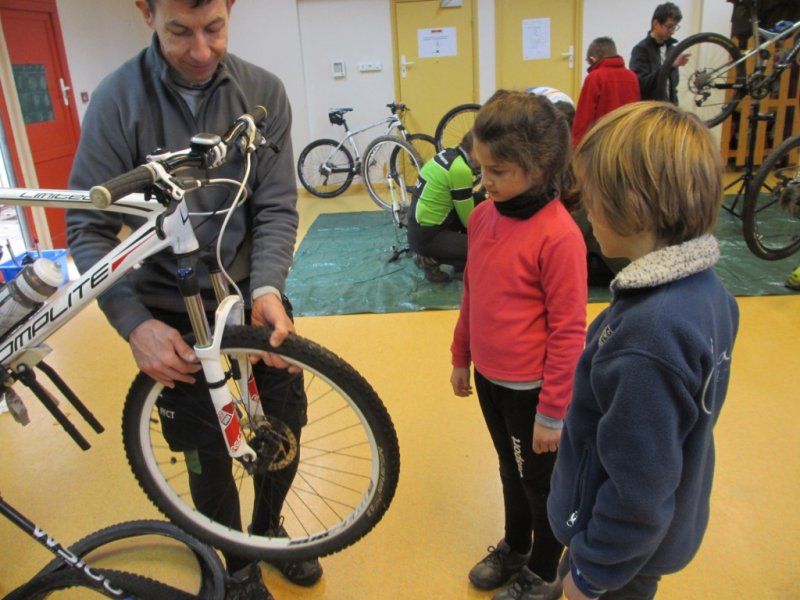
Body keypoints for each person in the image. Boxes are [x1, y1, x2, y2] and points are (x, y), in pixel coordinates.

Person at [66, 1, 322, 598]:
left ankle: (268, 532)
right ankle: (236, 567)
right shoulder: (116, 100)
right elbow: (87, 228)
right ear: (146, 12)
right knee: (206, 450)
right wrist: (134, 325)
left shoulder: (263, 92)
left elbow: (277, 206)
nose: (201, 51)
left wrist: (267, 288)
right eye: (179, 31)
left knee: (282, 424)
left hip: (250, 297)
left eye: (214, 28)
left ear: (231, 7)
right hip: (167, 309)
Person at [548, 102, 739, 599]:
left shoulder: (649, 336)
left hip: (615, 554)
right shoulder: (710, 292)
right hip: (652, 537)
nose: (585, 211)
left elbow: (639, 489)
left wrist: (589, 573)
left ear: (632, 203)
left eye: (590, 197)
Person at [450, 90, 588, 600]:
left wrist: (553, 411)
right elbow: (472, 290)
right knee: (509, 468)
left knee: (541, 483)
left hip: (533, 391)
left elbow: (570, 330)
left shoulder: (559, 237)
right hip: (490, 378)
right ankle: (515, 545)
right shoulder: (485, 216)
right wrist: (461, 355)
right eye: (480, 167)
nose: (484, 181)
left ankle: (545, 569)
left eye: (498, 171)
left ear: (539, 167)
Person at [407, 131, 481, 283]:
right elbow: (468, 221)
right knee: (482, 250)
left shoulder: (451, 153)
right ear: (474, 150)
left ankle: (457, 257)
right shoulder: (460, 170)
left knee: (479, 199)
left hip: (419, 225)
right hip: (427, 235)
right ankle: (428, 258)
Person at [572, 37, 640, 148]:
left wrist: (576, 146)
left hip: (601, 143)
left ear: (593, 59)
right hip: (627, 139)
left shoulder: (595, 77)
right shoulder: (632, 76)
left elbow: (584, 117)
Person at [630, 2, 688, 101]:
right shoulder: (640, 49)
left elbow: (673, 86)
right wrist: (669, 65)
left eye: (675, 27)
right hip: (651, 111)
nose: (673, 31)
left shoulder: (672, 49)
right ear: (656, 24)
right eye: (669, 26)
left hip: (670, 109)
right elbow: (641, 84)